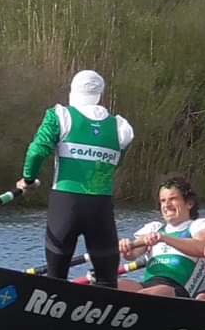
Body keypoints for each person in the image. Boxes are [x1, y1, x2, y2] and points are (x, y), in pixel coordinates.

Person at [15, 70, 134, 287]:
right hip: (101, 208)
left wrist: (28, 180)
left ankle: (51, 313)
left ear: (73, 92)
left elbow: (36, 152)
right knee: (107, 280)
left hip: (66, 205)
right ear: (100, 95)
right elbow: (117, 163)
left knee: (56, 279)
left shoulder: (60, 116)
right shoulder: (122, 127)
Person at [117, 176, 205, 298]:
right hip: (148, 285)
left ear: (189, 203)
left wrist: (165, 238)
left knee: (156, 292)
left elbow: (203, 248)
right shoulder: (154, 228)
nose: (166, 205)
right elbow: (132, 254)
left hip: (178, 292)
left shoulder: (199, 225)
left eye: (173, 199)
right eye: (163, 200)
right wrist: (126, 247)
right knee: (116, 286)